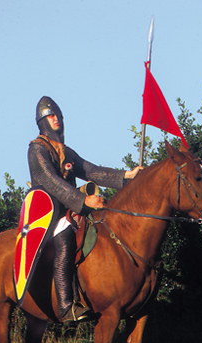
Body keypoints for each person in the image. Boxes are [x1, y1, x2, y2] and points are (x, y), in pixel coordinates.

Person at [28, 96, 142, 322]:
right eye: (50, 116)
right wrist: (84, 200)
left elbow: (91, 171)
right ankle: (66, 306)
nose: (56, 119)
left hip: (72, 209)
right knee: (65, 238)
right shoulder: (37, 150)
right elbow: (52, 182)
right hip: (50, 214)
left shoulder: (64, 150)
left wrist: (126, 175)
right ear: (43, 122)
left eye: (58, 115)